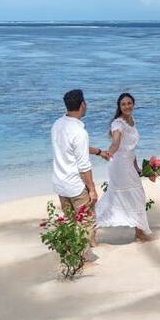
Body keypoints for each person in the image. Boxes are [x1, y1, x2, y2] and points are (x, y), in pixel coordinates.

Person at [51, 89, 110, 247]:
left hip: (60, 183)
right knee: (87, 222)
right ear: (82, 104)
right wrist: (92, 189)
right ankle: (85, 257)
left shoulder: (57, 124)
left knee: (71, 223)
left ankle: (73, 253)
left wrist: (98, 151)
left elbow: (71, 148)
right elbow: (84, 165)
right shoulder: (79, 132)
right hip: (76, 186)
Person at [96, 93, 155, 241]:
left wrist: (137, 168)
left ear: (133, 104)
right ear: (119, 107)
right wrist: (108, 153)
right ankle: (92, 227)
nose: (127, 106)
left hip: (129, 163)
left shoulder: (132, 121)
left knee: (137, 197)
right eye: (123, 104)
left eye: (129, 103)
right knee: (121, 196)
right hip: (119, 165)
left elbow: (131, 149)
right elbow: (116, 142)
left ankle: (139, 231)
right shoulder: (118, 123)